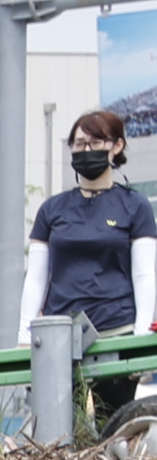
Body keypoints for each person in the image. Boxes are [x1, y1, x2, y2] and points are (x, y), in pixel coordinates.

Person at [24, 109, 157, 430]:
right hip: (58, 336)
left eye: (95, 142)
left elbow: (144, 274)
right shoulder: (52, 210)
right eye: (79, 143)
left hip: (116, 332)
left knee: (115, 429)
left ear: (116, 147)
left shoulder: (135, 206)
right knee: (56, 433)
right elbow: (36, 279)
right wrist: (23, 333)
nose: (86, 150)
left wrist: (139, 337)